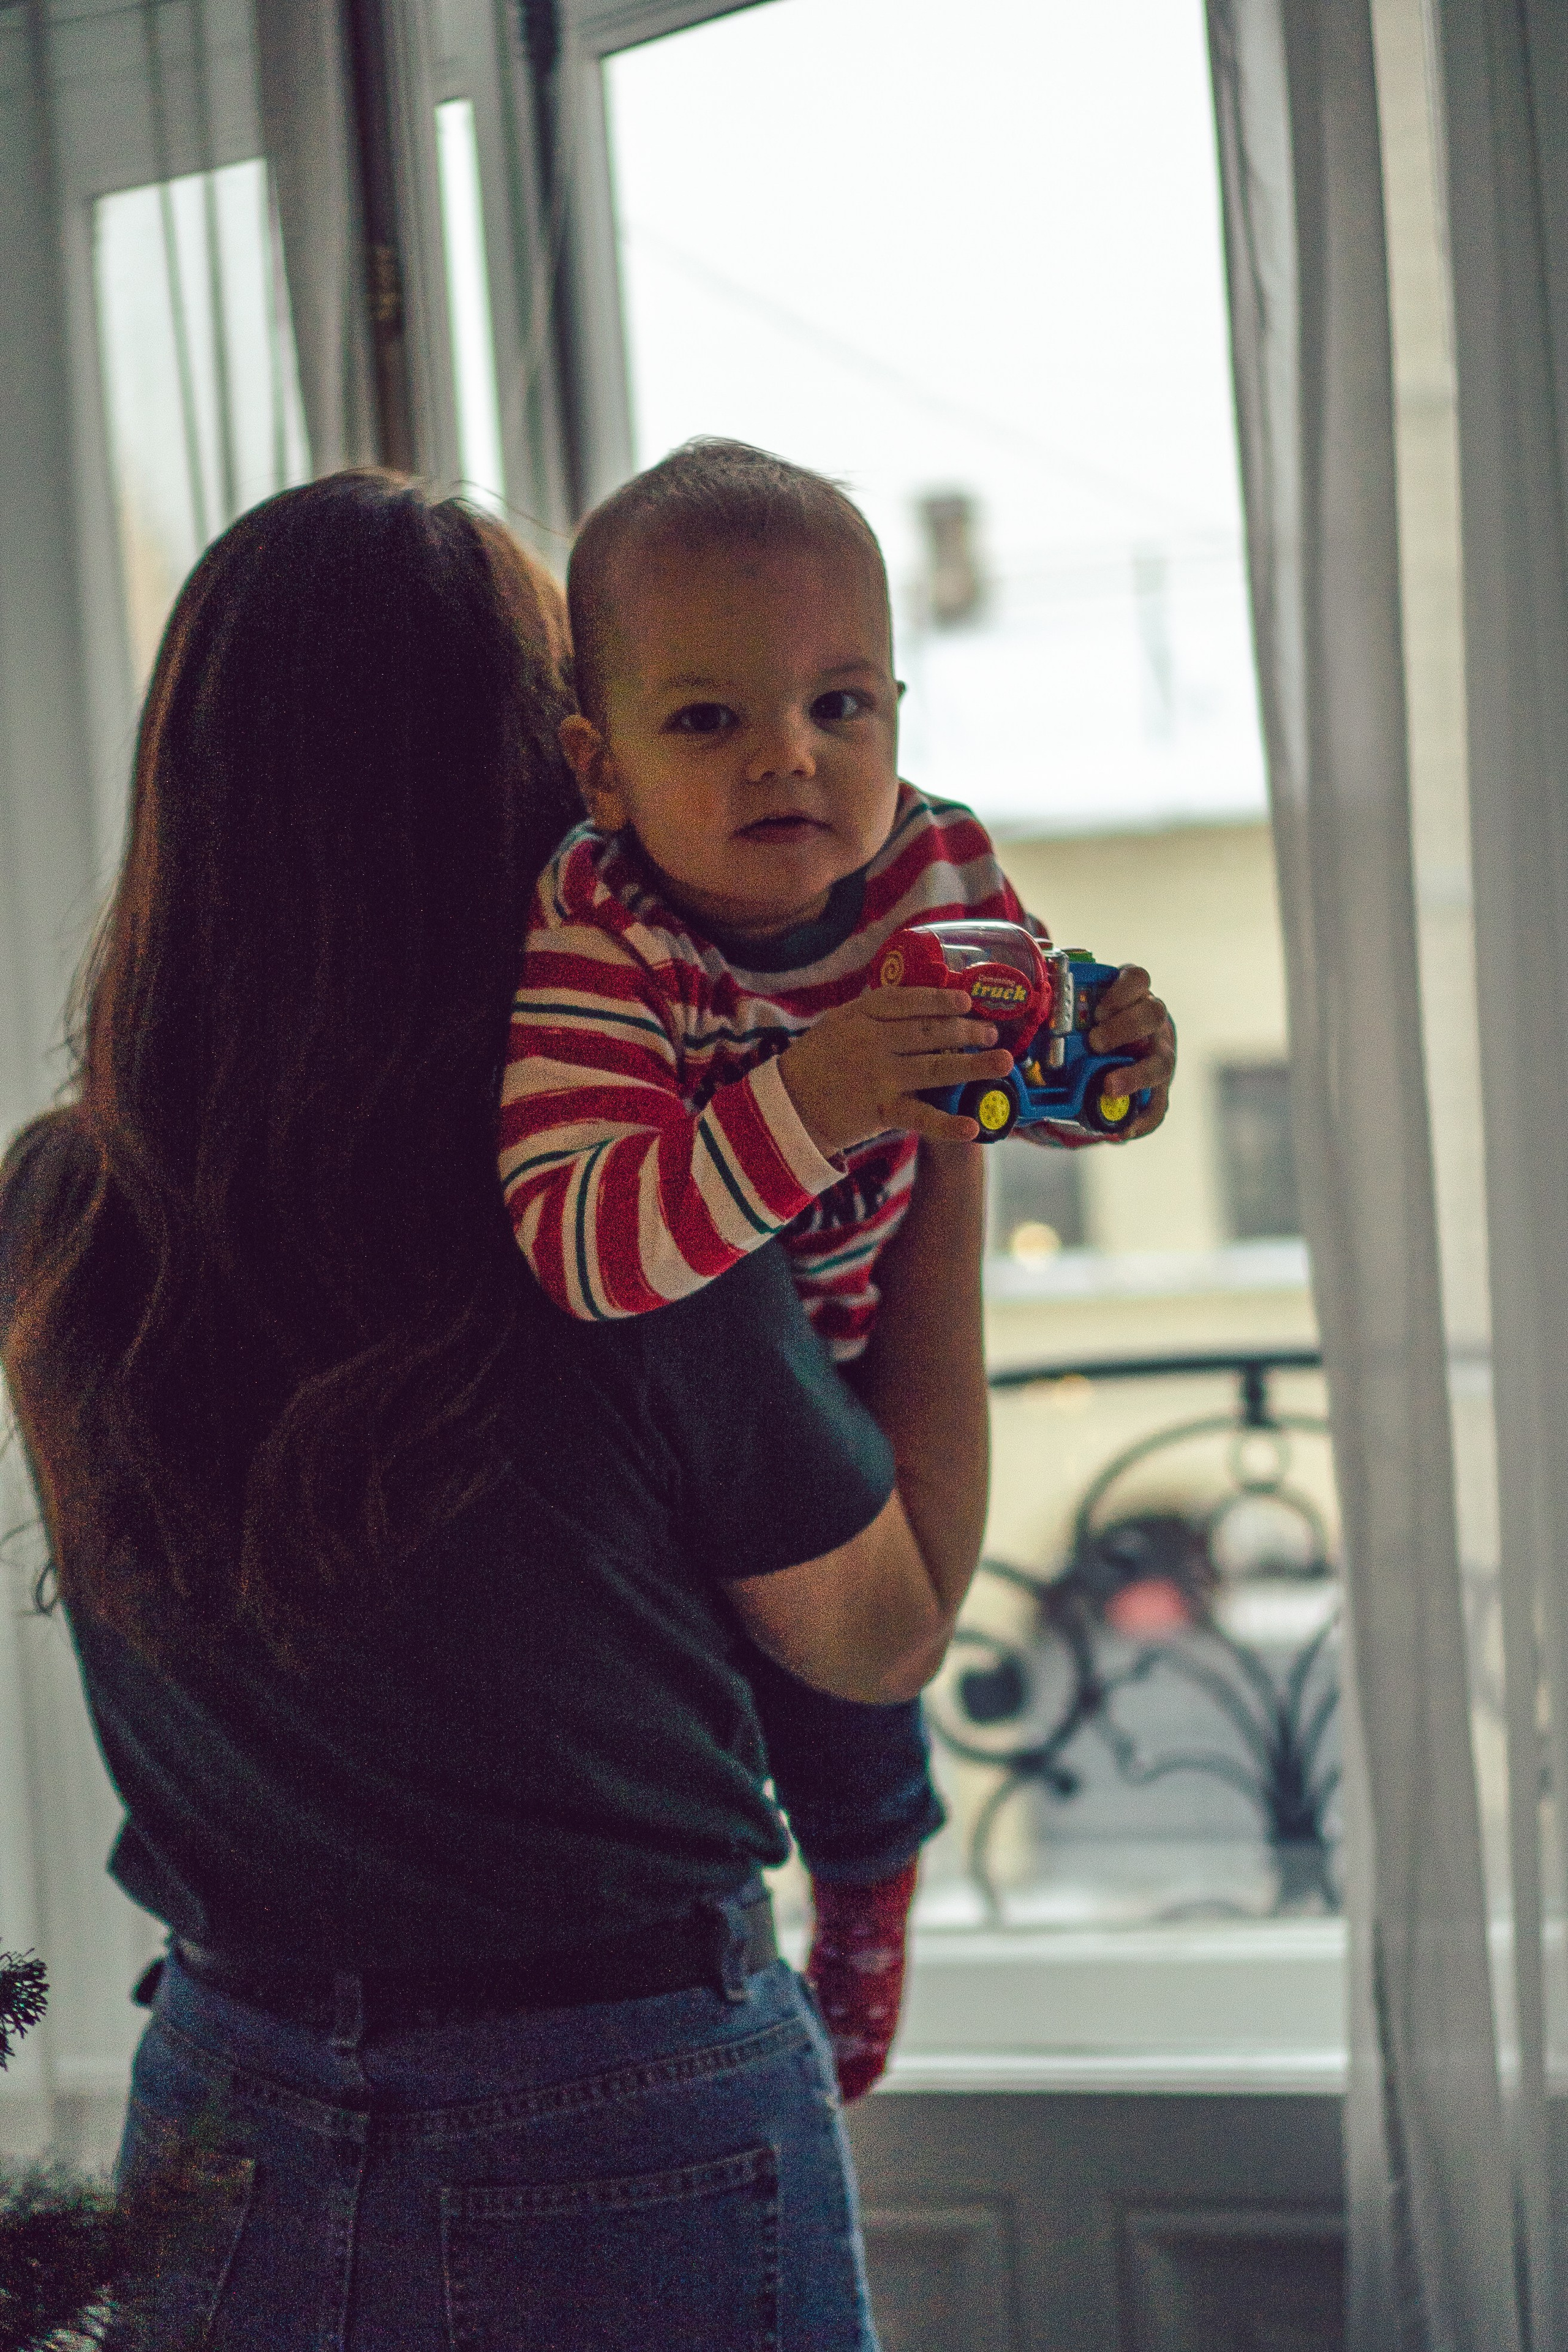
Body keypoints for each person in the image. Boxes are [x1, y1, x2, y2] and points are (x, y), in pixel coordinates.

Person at [0, 471, 1000, 2350]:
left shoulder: (63, 1208)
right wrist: (939, 1152)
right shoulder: (636, 1216)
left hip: (221, 2091)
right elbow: (888, 1631)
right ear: (554, 778)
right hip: (616, 2101)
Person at [498, 439, 1177, 2090]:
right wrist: (817, 1096)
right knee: (771, 1664)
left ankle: (872, 1885)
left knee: (861, 1722)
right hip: (680, 1424)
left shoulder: (935, 869)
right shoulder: (606, 931)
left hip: (867, 1330)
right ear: (601, 766)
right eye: (709, 720)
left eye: (842, 706)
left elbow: (1003, 1064)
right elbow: (583, 1237)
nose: (788, 760)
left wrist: (1105, 1073)